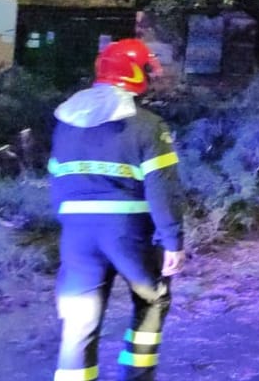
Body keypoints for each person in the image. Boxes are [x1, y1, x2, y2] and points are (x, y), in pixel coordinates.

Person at [49, 39, 186, 381]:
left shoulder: (66, 122)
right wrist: (172, 240)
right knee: (152, 299)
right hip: (128, 232)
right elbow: (162, 188)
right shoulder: (147, 125)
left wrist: (71, 226)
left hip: (77, 236)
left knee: (79, 318)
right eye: (147, 71)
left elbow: (56, 182)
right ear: (135, 74)